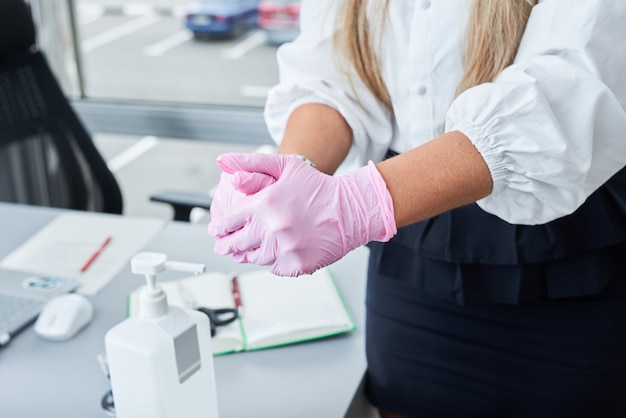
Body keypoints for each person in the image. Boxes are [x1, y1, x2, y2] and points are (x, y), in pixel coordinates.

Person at [207, 1, 626, 416]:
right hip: (413, 247)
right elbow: (332, 75)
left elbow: (573, 81)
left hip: (566, 254)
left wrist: (357, 204)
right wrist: (292, 178)